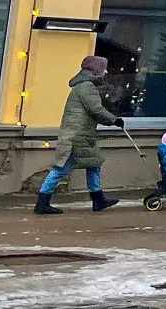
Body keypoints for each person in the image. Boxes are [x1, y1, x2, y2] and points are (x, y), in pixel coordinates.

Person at [36, 56, 123, 215]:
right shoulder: (86, 87)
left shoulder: (83, 86)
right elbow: (96, 110)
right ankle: (42, 202)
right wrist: (114, 120)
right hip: (76, 137)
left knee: (94, 164)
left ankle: (98, 199)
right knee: (60, 169)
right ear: (96, 71)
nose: (106, 72)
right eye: (103, 69)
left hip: (80, 135)